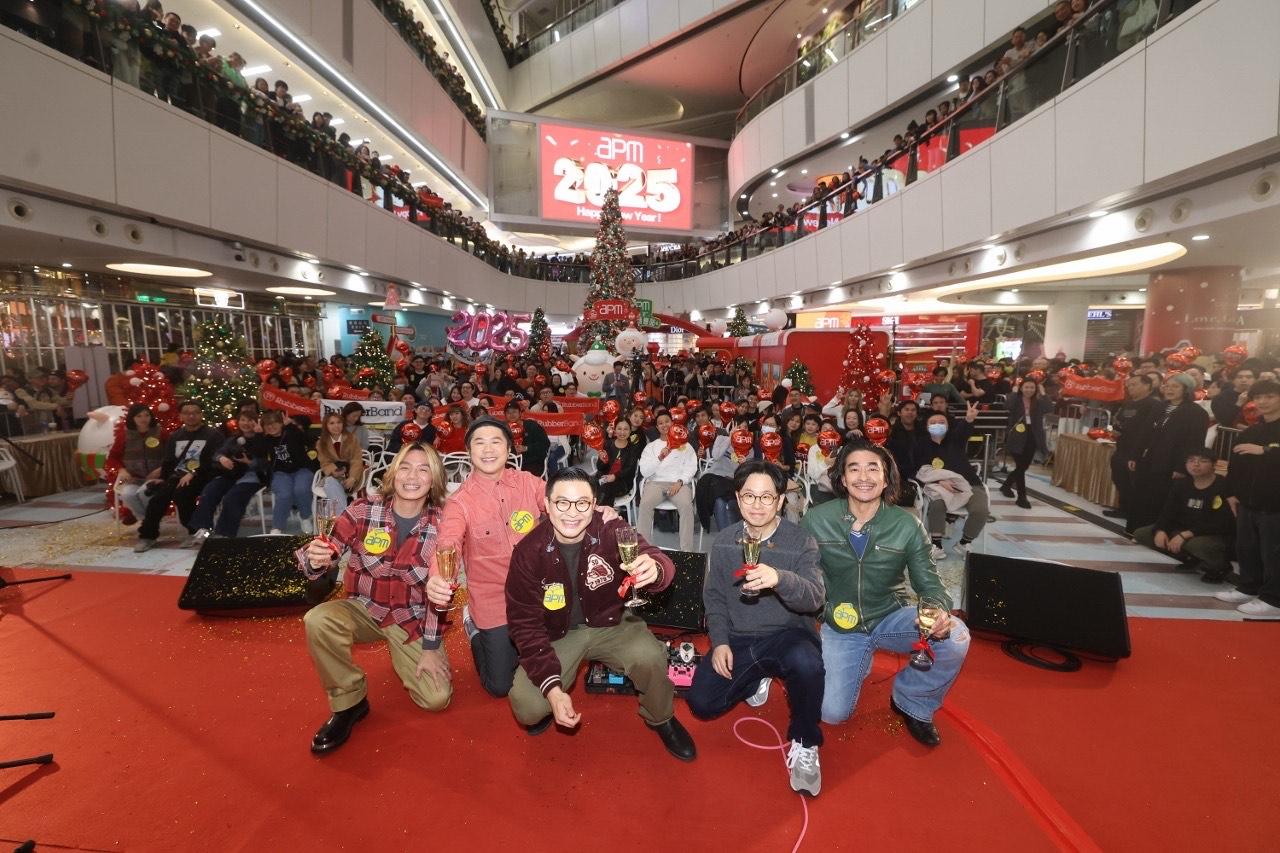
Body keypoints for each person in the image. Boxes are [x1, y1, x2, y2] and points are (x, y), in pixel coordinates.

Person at [504, 469, 695, 760]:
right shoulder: (528, 552)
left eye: (582, 503)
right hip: (559, 634)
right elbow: (523, 624)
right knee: (528, 705)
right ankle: (547, 705)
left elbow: (656, 558)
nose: (572, 512)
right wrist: (552, 690)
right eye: (562, 503)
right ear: (547, 505)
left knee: (651, 658)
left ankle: (661, 718)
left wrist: (655, 569)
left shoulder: (610, 529)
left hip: (612, 622)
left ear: (594, 504)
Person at [801, 441, 969, 747]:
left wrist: (937, 610)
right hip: (841, 625)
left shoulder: (907, 524)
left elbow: (930, 583)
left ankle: (912, 701)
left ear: (886, 477)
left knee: (955, 636)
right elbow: (802, 575)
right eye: (854, 469)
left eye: (873, 468)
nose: (864, 476)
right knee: (832, 713)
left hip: (890, 617)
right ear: (842, 478)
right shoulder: (816, 519)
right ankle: (859, 658)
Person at [296, 443, 453, 754]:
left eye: (423, 469)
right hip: (365, 607)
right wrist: (315, 560)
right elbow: (327, 549)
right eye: (405, 467)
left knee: (436, 699)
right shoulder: (363, 510)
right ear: (393, 473)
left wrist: (431, 648)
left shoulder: (445, 523)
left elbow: (441, 592)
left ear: (434, 479)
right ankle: (349, 702)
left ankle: (409, 655)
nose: (412, 476)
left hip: (412, 618)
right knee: (319, 620)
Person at [688, 460, 825, 795]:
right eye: (749, 496)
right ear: (737, 498)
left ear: (780, 501)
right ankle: (756, 676)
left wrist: (780, 579)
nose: (757, 505)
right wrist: (720, 641)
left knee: (807, 664)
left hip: (787, 634)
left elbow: (815, 598)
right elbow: (715, 597)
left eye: (767, 497)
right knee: (702, 703)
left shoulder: (801, 541)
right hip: (740, 638)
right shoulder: (724, 541)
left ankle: (806, 741)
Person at [434, 418, 548, 698]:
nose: (488, 449)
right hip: (492, 599)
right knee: (500, 686)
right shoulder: (459, 502)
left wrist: (596, 511)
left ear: (509, 449)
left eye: (496, 442)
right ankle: (473, 627)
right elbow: (448, 542)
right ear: (469, 451)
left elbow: (561, 502)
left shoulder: (528, 482)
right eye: (479, 442)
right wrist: (438, 578)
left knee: (549, 662)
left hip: (537, 593)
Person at [1215, 379, 1280, 618]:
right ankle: (1248, 586)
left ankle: (1274, 599)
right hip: (1248, 501)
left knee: (1273, 554)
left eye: (1270, 396)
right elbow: (1236, 464)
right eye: (1259, 397)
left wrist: (1265, 451)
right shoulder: (1252, 430)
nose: (1263, 402)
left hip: (1275, 504)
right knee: (1247, 548)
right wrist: (1231, 493)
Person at [1133, 449, 1234, 583]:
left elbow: (1222, 522)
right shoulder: (1182, 484)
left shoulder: (1223, 486)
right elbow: (1167, 512)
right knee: (1142, 534)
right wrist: (1160, 530)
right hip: (1184, 529)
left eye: (1203, 461)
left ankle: (1220, 567)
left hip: (1213, 534)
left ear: (1214, 464)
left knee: (1197, 545)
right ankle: (1191, 559)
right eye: (1191, 461)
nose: (1196, 464)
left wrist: (1186, 534)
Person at [135, 401, 221, 552]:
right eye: (187, 413)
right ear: (181, 416)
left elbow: (214, 460)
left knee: (182, 495)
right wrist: (163, 478)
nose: (191, 416)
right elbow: (169, 461)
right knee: (158, 498)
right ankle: (148, 536)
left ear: (201, 414)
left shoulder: (213, 435)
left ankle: (197, 532)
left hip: (203, 475)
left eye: (195, 412)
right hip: (178, 475)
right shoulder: (176, 436)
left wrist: (193, 472)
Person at [1130, 374, 1210, 531]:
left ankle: (1155, 532)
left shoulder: (1196, 413)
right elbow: (1145, 433)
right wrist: (1135, 455)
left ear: (1186, 390)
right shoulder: (1159, 407)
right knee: (1142, 495)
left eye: (1175, 386)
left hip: (1172, 463)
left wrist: (1182, 467)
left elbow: (1194, 443)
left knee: (1161, 498)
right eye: (1167, 386)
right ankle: (1136, 530)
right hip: (1150, 459)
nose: (1169, 389)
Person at [185, 411, 271, 546]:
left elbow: (266, 463)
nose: (246, 423)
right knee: (210, 491)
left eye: (250, 420)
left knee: (232, 498)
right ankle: (204, 529)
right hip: (231, 474)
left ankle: (224, 534)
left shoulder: (264, 439)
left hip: (251, 477)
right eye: (243, 420)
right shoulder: (233, 439)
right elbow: (217, 453)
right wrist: (222, 458)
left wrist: (249, 462)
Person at [914, 402, 988, 558]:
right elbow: (922, 470)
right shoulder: (921, 445)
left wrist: (969, 419)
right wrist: (939, 482)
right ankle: (936, 544)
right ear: (926, 426)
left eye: (942, 422)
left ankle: (964, 542)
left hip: (969, 483)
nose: (937, 425)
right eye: (933, 422)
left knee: (981, 510)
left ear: (948, 426)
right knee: (937, 505)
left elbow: (964, 431)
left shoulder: (955, 439)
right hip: (940, 485)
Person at [637, 411, 699, 551]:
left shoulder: (685, 445)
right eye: (660, 423)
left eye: (667, 421)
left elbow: (691, 467)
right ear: (657, 427)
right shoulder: (651, 447)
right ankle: (643, 549)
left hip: (679, 484)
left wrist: (680, 481)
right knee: (645, 504)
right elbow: (644, 471)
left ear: (672, 423)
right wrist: (659, 457)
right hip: (656, 483)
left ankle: (687, 552)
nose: (664, 425)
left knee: (686, 506)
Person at [1109, 373, 1163, 528]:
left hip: (1137, 449)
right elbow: (1120, 421)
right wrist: (1117, 429)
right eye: (1129, 385)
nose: (1130, 388)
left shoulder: (1153, 405)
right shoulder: (1128, 404)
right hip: (1122, 446)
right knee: (1119, 477)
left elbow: (1148, 429)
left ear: (1147, 386)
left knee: (1133, 481)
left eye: (1134, 384)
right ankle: (1123, 507)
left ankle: (1133, 511)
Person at [108, 404, 166, 524]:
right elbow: (113, 457)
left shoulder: (161, 433)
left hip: (156, 478)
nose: (143, 419)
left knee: (145, 493)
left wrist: (161, 469)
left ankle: (149, 524)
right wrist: (121, 470)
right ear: (132, 418)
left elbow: (171, 455)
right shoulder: (124, 435)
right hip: (133, 479)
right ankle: (147, 522)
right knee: (127, 495)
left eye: (146, 415)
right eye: (139, 416)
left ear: (151, 417)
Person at [262, 411, 318, 535]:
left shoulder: (291, 432)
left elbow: (310, 440)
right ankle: (277, 527)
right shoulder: (265, 440)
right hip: (280, 473)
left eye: (274, 423)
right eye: (267, 424)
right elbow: (256, 453)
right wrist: (257, 435)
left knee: (301, 489)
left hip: (302, 469)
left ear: (281, 423)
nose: (271, 427)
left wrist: (291, 425)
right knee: (284, 494)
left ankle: (305, 517)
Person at [1000, 378, 1052, 508]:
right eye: (1026, 387)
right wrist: (1013, 392)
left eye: (1032, 387)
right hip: (1017, 435)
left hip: (1032, 435)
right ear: (1021, 388)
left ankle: (1006, 485)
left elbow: (1049, 408)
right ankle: (1022, 497)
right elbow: (1007, 406)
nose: (1029, 390)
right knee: (1021, 466)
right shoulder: (1016, 399)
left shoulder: (1038, 401)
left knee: (1023, 466)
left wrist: (1043, 393)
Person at [316, 411, 366, 512]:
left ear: (343, 424)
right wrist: (333, 472)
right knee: (330, 482)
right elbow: (324, 463)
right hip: (334, 476)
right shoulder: (321, 443)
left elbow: (356, 460)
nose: (336, 426)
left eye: (339, 422)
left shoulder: (352, 438)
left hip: (352, 476)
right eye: (332, 423)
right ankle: (343, 516)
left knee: (331, 489)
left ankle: (337, 517)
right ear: (326, 426)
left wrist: (352, 478)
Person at [596, 417, 641, 508]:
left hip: (622, 483)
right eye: (619, 429)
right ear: (615, 430)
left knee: (606, 488)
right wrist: (602, 460)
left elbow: (629, 470)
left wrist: (614, 476)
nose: (622, 432)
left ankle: (601, 513)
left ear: (630, 431)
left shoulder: (633, 449)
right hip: (605, 478)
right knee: (589, 483)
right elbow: (599, 467)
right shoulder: (608, 444)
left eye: (625, 429)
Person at [505, 400, 550, 477]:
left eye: (514, 412)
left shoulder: (532, 425)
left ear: (520, 413)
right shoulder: (503, 429)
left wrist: (526, 448)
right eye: (508, 412)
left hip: (532, 461)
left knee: (526, 477)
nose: (511, 414)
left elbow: (545, 444)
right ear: (505, 415)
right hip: (511, 462)